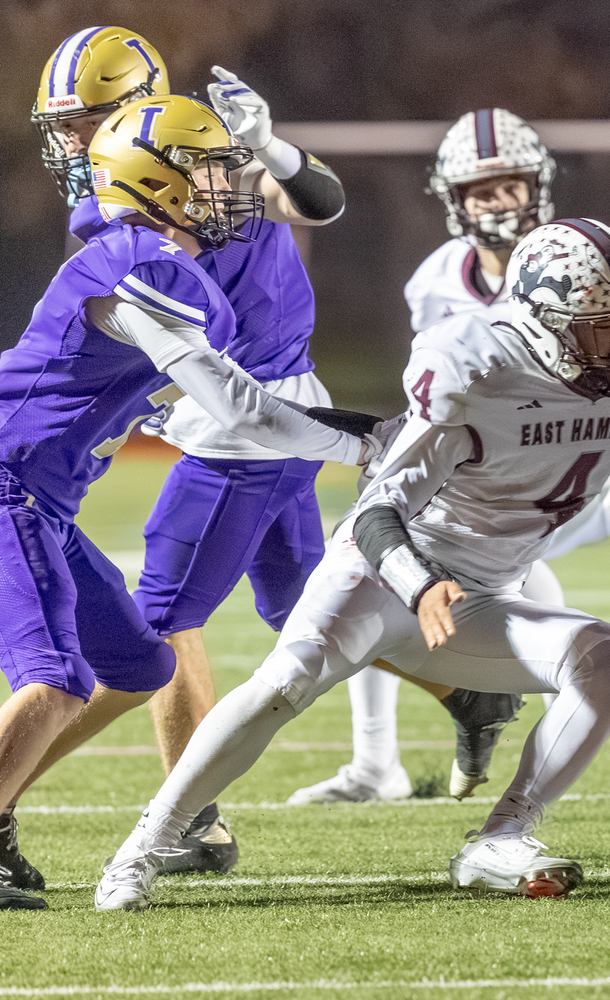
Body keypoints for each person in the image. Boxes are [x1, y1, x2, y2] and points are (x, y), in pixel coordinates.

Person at [95, 219, 610, 910]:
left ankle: (501, 836)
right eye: (602, 325)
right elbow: (376, 512)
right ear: (543, 326)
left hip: (478, 597)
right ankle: (145, 846)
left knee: (605, 661)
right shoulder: (482, 371)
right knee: (283, 682)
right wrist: (420, 582)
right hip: (381, 573)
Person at [0, 94, 373, 910]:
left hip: (42, 499)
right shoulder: (144, 265)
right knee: (59, 679)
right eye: (207, 169)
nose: (227, 184)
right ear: (153, 180)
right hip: (7, 488)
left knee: (139, 664)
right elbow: (239, 406)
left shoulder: (158, 259)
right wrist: (367, 443)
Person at [291, 110, 610, 807]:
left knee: (485, 584)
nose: (498, 202)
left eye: (510, 186)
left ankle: (514, 764)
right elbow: (435, 400)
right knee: (380, 564)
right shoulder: (435, 280)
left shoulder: (584, 258)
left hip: (573, 468)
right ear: (453, 198)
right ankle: (386, 760)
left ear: (539, 187)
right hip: (490, 470)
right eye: (481, 190)